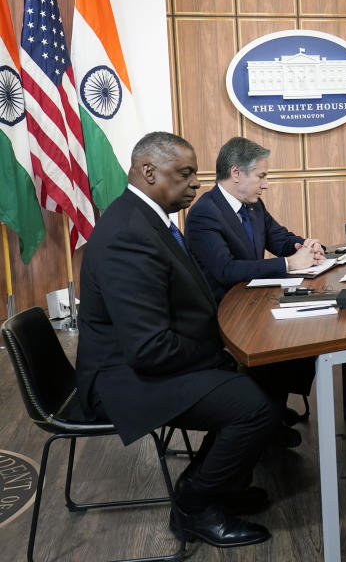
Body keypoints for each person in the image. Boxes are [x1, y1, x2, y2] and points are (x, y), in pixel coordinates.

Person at [76, 132, 276, 549]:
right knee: (253, 405)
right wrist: (215, 351)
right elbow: (149, 349)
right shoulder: (128, 233)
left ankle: (222, 483)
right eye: (185, 174)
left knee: (260, 380)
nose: (196, 184)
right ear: (149, 171)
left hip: (144, 359)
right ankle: (193, 504)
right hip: (122, 378)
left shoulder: (147, 218)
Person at [185, 136, 323, 445]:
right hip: (222, 312)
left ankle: (271, 410)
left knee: (304, 332)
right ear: (237, 173)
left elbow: (279, 238)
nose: (266, 184)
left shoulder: (253, 205)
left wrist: (306, 246)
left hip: (254, 300)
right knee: (281, 337)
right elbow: (225, 270)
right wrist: (289, 264)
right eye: (261, 176)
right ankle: (265, 421)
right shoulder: (204, 213)